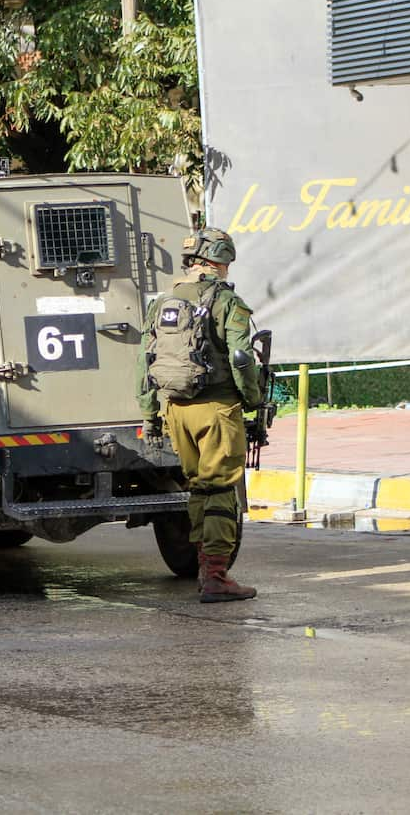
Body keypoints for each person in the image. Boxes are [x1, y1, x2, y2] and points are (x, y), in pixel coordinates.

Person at [138, 227, 262, 603]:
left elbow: (145, 362)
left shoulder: (162, 303)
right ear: (219, 260)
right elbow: (241, 359)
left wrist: (149, 415)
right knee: (221, 489)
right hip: (216, 409)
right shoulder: (227, 301)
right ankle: (215, 575)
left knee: (198, 487)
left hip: (176, 410)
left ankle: (203, 565)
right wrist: (252, 398)